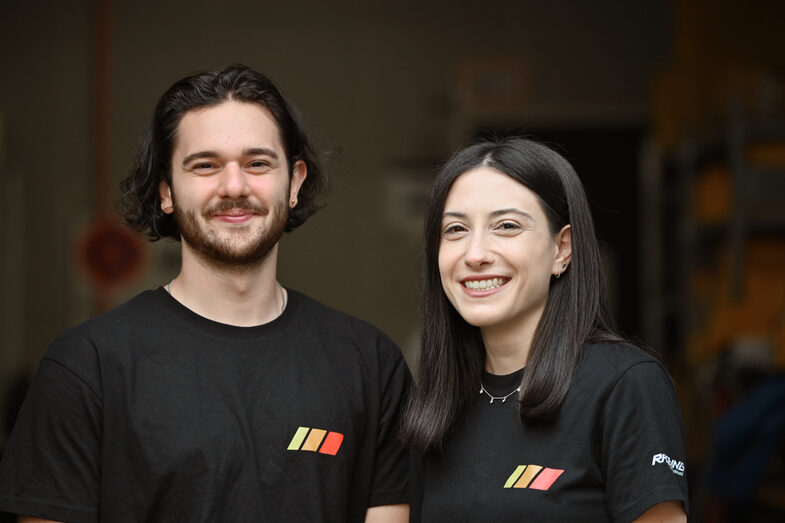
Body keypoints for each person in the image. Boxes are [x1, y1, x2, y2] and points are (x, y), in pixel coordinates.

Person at [0, 65, 410, 523]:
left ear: (293, 182)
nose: (233, 187)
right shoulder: (86, 367)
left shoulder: (370, 364)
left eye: (257, 163)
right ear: (166, 191)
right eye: (205, 165)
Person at [401, 137, 688, 522]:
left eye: (506, 226)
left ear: (562, 249)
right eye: (455, 230)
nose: (475, 254)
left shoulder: (624, 385)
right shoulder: (438, 410)